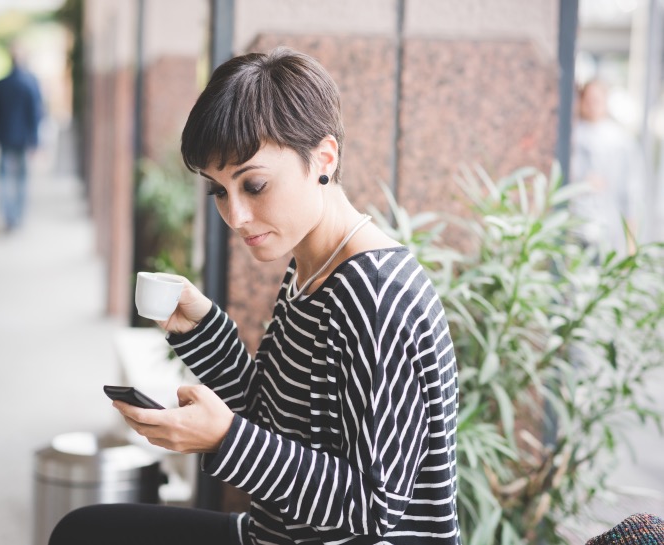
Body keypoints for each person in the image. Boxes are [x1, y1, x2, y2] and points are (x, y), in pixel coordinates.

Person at [49, 48, 460, 545]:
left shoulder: (378, 297)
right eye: (219, 191)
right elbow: (276, 418)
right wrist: (205, 332)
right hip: (275, 533)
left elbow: (374, 507)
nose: (236, 215)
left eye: (255, 185)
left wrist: (225, 439)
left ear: (324, 159)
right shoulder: (311, 264)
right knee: (85, 531)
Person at [570, 79, 645, 255]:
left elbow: (631, 195)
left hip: (609, 230)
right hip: (575, 226)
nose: (591, 106)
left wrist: (631, 243)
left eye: (596, 100)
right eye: (587, 100)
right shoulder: (572, 135)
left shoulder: (621, 141)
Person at [0, 46, 43, 232]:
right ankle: (17, 215)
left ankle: (8, 215)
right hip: (22, 138)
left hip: (4, 137)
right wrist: (35, 140)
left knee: (4, 177)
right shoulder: (30, 84)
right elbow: (35, 113)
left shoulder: (1, 85)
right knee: (20, 178)